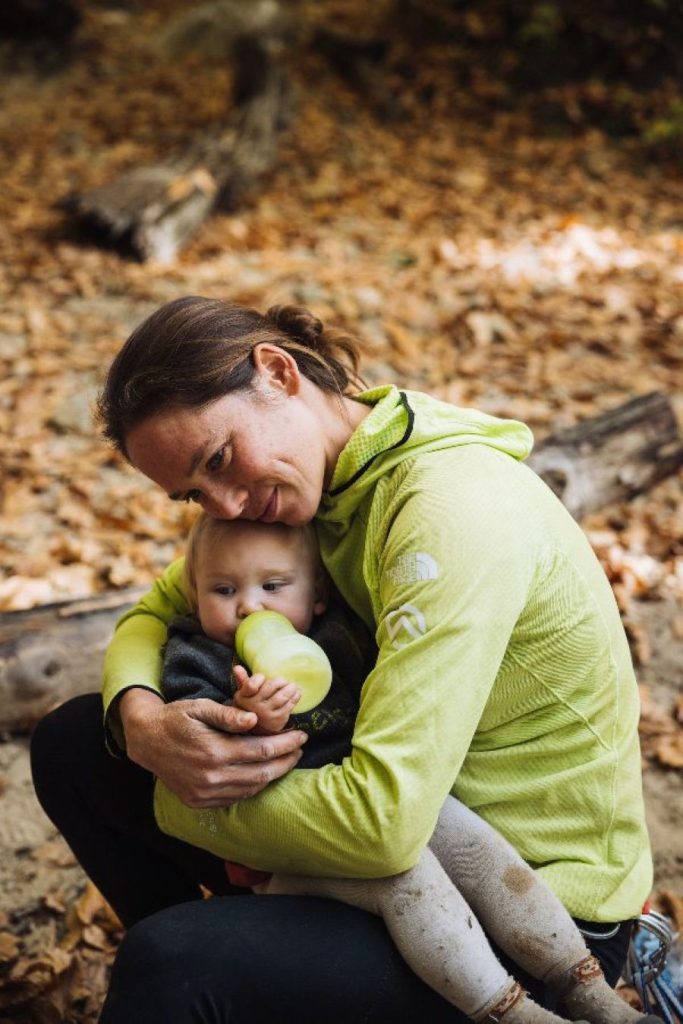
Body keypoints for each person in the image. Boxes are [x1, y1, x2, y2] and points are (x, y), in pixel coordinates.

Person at [31, 297, 654, 1024]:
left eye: (221, 460)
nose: (225, 505)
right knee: (77, 741)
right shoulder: (309, 481)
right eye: (193, 494)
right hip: (378, 843)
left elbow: (382, 824)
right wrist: (140, 724)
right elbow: (151, 614)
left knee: (173, 963)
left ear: (277, 372)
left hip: (525, 901)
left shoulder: (446, 511)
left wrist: (182, 795)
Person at [161, 509, 654, 1024]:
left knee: (471, 840)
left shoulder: (342, 635)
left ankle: (588, 987)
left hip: (367, 804)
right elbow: (203, 753)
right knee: (404, 876)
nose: (249, 606)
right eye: (222, 590)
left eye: (273, 585)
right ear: (194, 597)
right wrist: (252, 718)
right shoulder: (199, 659)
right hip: (287, 848)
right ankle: (514, 1015)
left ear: (317, 594)